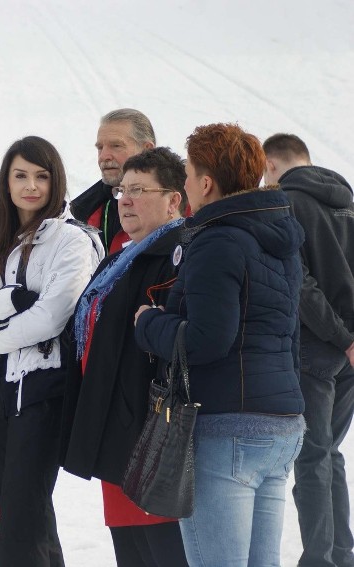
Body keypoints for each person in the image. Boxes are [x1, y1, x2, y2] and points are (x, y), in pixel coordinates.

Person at [135, 124, 305, 566]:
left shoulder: (217, 239)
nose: (186, 184)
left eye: (188, 174)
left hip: (227, 428)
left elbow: (207, 340)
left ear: (206, 183)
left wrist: (148, 323)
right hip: (281, 423)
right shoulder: (280, 239)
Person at [0, 136, 104, 566]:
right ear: (6, 182)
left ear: (56, 180)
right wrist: (8, 300)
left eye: (42, 176)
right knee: (21, 516)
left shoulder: (72, 239)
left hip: (44, 390)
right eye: (20, 175)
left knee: (24, 515)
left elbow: (51, 317)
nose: (31, 186)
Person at [60, 148, 189, 567]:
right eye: (122, 192)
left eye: (139, 190)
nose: (126, 200)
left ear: (174, 199)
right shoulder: (119, 259)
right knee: (132, 554)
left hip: (152, 437)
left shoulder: (179, 256)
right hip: (117, 434)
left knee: (163, 549)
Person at [264, 133, 354, 567]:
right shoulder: (348, 201)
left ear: (272, 165)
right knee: (328, 454)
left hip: (319, 350)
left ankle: (320, 561)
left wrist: (340, 338)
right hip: (350, 354)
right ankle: (339, 553)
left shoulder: (286, 203)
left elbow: (300, 284)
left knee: (313, 458)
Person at [71, 108, 156, 254]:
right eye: (100, 148)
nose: (104, 156)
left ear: (147, 150)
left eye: (116, 146)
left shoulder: (186, 203)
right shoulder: (80, 212)